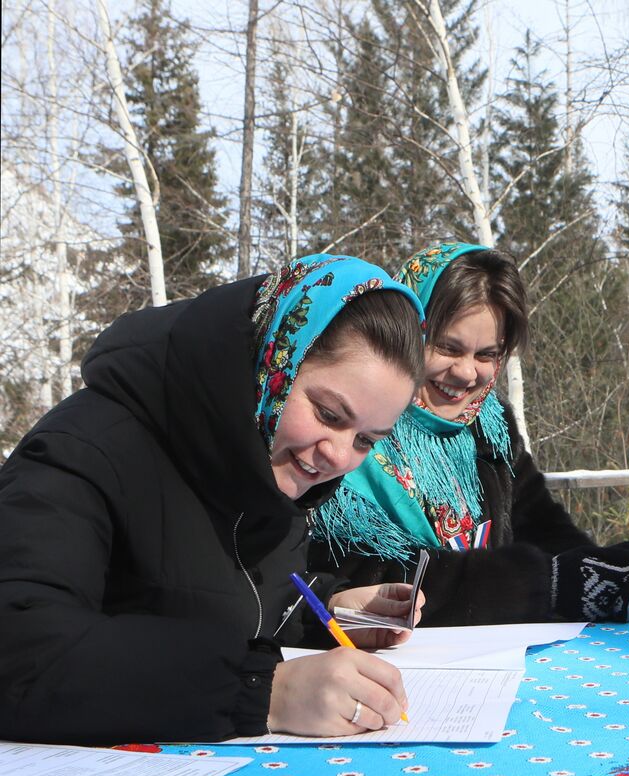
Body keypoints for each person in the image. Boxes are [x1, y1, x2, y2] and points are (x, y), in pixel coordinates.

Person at [0, 254, 431, 744]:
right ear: (275, 364)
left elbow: (232, 591)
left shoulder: (261, 457)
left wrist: (325, 611)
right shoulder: (87, 447)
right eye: (329, 414)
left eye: (365, 441)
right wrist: (265, 692)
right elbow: (20, 645)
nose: (336, 455)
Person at [312, 242, 629, 625]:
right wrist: (541, 585)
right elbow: (360, 576)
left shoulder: (488, 423)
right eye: (447, 347)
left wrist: (590, 566)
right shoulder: (351, 427)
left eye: (486, 355)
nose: (466, 374)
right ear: (407, 334)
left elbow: (536, 518)